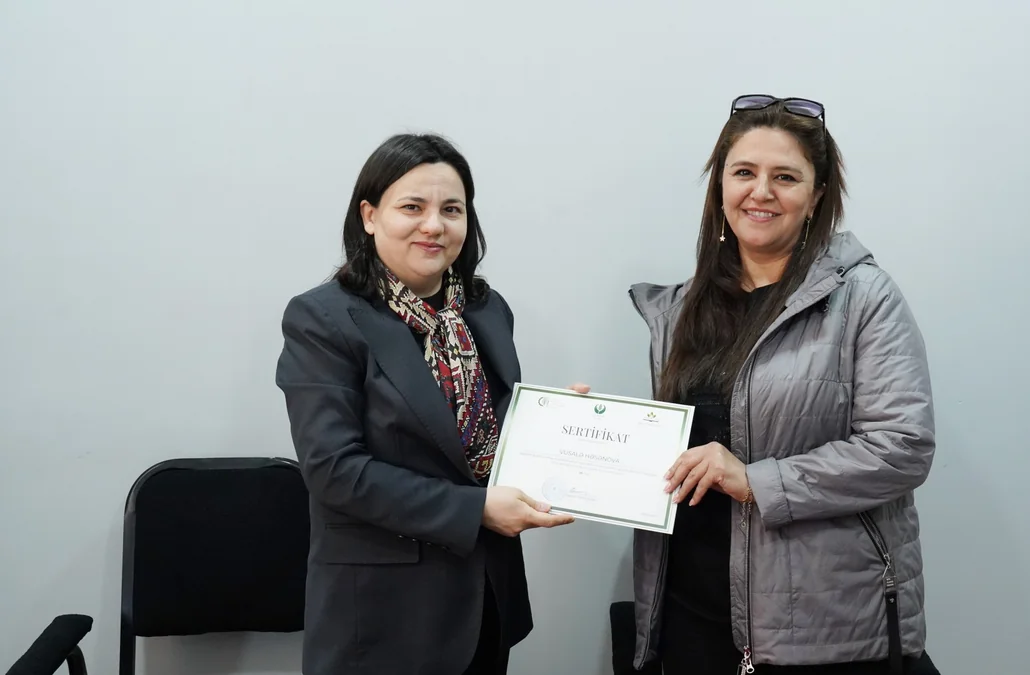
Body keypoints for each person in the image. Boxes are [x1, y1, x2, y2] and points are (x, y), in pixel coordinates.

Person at [627, 95, 939, 674]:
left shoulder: (864, 298)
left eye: (786, 177)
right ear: (720, 187)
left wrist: (754, 482)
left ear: (816, 195)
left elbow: (901, 448)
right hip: (690, 611)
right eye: (743, 172)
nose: (761, 192)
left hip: (818, 625)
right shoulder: (683, 309)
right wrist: (590, 440)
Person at [275, 133, 578, 675]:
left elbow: (488, 438)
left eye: (451, 210)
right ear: (370, 216)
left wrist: (559, 427)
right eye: (412, 207)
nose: (434, 225)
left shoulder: (485, 309)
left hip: (486, 600)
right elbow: (334, 470)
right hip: (384, 617)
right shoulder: (323, 319)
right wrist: (475, 510)